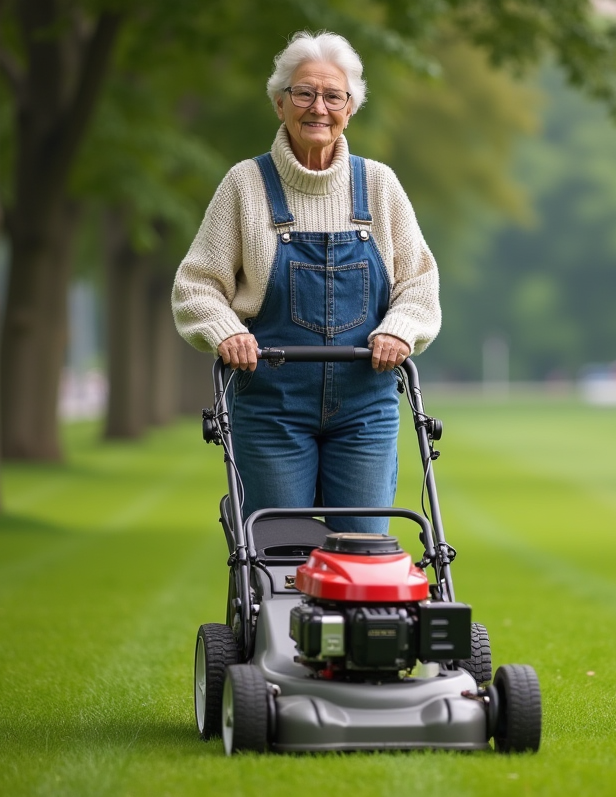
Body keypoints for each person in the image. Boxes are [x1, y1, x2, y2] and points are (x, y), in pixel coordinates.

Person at [172, 30, 441, 534]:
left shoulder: (378, 186)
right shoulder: (244, 186)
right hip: (272, 405)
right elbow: (196, 285)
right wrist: (225, 331)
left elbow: (420, 284)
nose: (318, 107)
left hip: (365, 405)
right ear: (280, 103)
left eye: (333, 96)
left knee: (362, 551)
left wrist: (400, 329)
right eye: (304, 93)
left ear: (351, 107)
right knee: (279, 553)